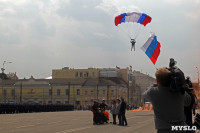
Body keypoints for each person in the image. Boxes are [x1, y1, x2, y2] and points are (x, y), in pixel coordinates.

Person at [143, 67, 191, 133]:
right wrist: (180, 86)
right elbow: (188, 102)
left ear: (157, 81)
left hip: (163, 129)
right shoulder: (179, 92)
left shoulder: (153, 92)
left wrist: (156, 84)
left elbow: (145, 95)